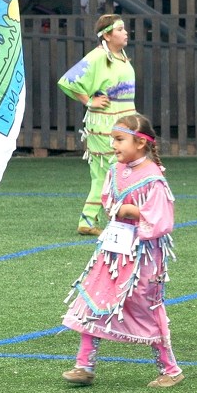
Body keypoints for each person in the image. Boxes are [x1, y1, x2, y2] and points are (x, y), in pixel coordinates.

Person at [61, 113, 184, 388]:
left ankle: (170, 369)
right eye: (112, 140)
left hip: (143, 255)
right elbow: (107, 201)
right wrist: (117, 210)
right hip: (114, 252)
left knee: (145, 306)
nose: (114, 146)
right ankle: (84, 365)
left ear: (140, 143)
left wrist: (132, 211)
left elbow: (162, 219)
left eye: (119, 140)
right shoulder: (116, 171)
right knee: (94, 297)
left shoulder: (153, 177)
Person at [58, 15, 136, 235]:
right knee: (117, 169)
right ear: (107, 35)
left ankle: (88, 220)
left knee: (104, 174)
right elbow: (68, 81)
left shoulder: (120, 56)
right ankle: (120, 217)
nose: (125, 32)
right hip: (105, 124)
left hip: (122, 121)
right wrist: (89, 100)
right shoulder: (98, 56)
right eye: (120, 29)